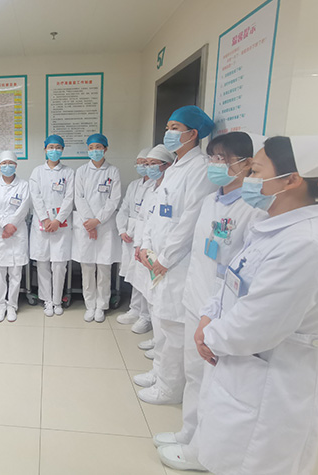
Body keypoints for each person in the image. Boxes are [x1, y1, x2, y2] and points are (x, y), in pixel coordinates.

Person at [161, 136, 318, 474]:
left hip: (269, 381)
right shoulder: (270, 228)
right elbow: (231, 279)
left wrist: (209, 336)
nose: (249, 179)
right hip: (238, 363)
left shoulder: (307, 245)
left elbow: (259, 324)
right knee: (225, 450)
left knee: (253, 460)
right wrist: (209, 315)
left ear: (291, 180)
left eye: (255, 171)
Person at [153, 132, 266, 467]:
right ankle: (190, 433)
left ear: (247, 164)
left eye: (224, 159)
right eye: (214, 158)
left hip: (223, 310)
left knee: (215, 383)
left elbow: (243, 269)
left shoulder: (253, 210)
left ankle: (204, 452)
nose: (216, 165)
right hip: (196, 300)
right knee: (194, 374)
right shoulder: (210, 201)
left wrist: (215, 312)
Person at [137, 106, 217, 405]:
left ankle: (170, 389)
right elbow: (155, 213)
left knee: (172, 326)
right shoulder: (174, 169)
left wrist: (165, 259)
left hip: (176, 263)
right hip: (157, 259)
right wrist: (146, 247)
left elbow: (189, 221)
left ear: (192, 133)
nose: (168, 133)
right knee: (161, 321)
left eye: (174, 128)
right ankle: (159, 373)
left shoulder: (200, 169)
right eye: (168, 127)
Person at [127, 145, 175, 387]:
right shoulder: (153, 190)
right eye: (147, 164)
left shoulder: (170, 189)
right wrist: (141, 245)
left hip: (163, 255)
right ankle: (157, 343)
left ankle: (161, 349)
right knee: (152, 297)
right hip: (149, 250)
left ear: (167, 165)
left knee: (160, 303)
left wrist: (156, 253)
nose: (149, 168)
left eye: (153, 164)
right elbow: (145, 220)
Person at [72, 133, 122, 323]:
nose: (94, 151)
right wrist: (90, 222)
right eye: (91, 147)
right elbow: (79, 197)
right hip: (86, 226)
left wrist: (98, 220)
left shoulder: (113, 171)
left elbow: (114, 199)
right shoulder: (81, 171)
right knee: (87, 267)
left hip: (105, 225)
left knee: (104, 267)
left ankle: (101, 306)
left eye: (98, 147)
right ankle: (90, 305)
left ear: (105, 149)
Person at [29, 134, 75, 316]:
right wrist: (45, 219)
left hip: (60, 225)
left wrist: (57, 220)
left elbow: (69, 198)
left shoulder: (68, 172)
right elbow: (35, 196)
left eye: (57, 147)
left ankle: (57, 301)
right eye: (51, 147)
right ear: (45, 149)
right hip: (42, 223)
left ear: (62, 150)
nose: (54, 150)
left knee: (59, 264)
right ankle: (47, 300)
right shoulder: (37, 172)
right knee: (42, 263)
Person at [0, 150, 30, 322]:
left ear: (16, 165)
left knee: (15, 273)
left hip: (16, 232)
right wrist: (5, 225)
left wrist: (11, 225)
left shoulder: (24, 185)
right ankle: (0, 305)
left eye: (10, 163)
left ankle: (12, 305)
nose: (7, 166)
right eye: (4, 163)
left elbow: (24, 207)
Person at [116, 146, 152, 331]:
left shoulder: (158, 186)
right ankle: (135, 309)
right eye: (138, 163)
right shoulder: (134, 185)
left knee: (144, 276)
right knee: (135, 275)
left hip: (145, 237)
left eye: (145, 163)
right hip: (129, 235)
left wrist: (136, 234)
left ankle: (146, 315)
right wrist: (122, 229)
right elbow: (124, 209)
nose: (142, 167)